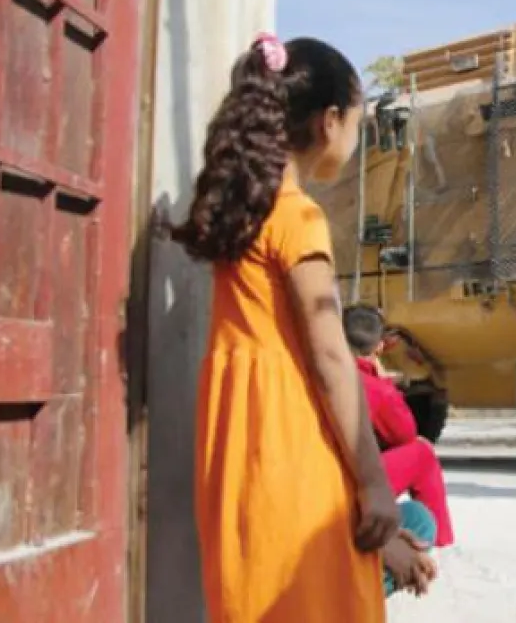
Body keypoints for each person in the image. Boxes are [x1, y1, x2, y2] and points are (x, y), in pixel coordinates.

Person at [170, 33, 420, 622]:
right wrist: (375, 484)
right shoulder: (299, 218)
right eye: (358, 125)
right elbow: (332, 359)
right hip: (291, 448)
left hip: (239, 455)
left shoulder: (244, 221)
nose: (355, 143)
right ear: (330, 121)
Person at [343, 303, 457, 547]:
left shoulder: (311, 373)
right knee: (421, 453)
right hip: (344, 487)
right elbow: (404, 434)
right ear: (380, 346)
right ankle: (436, 541)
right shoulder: (374, 389)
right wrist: (385, 384)